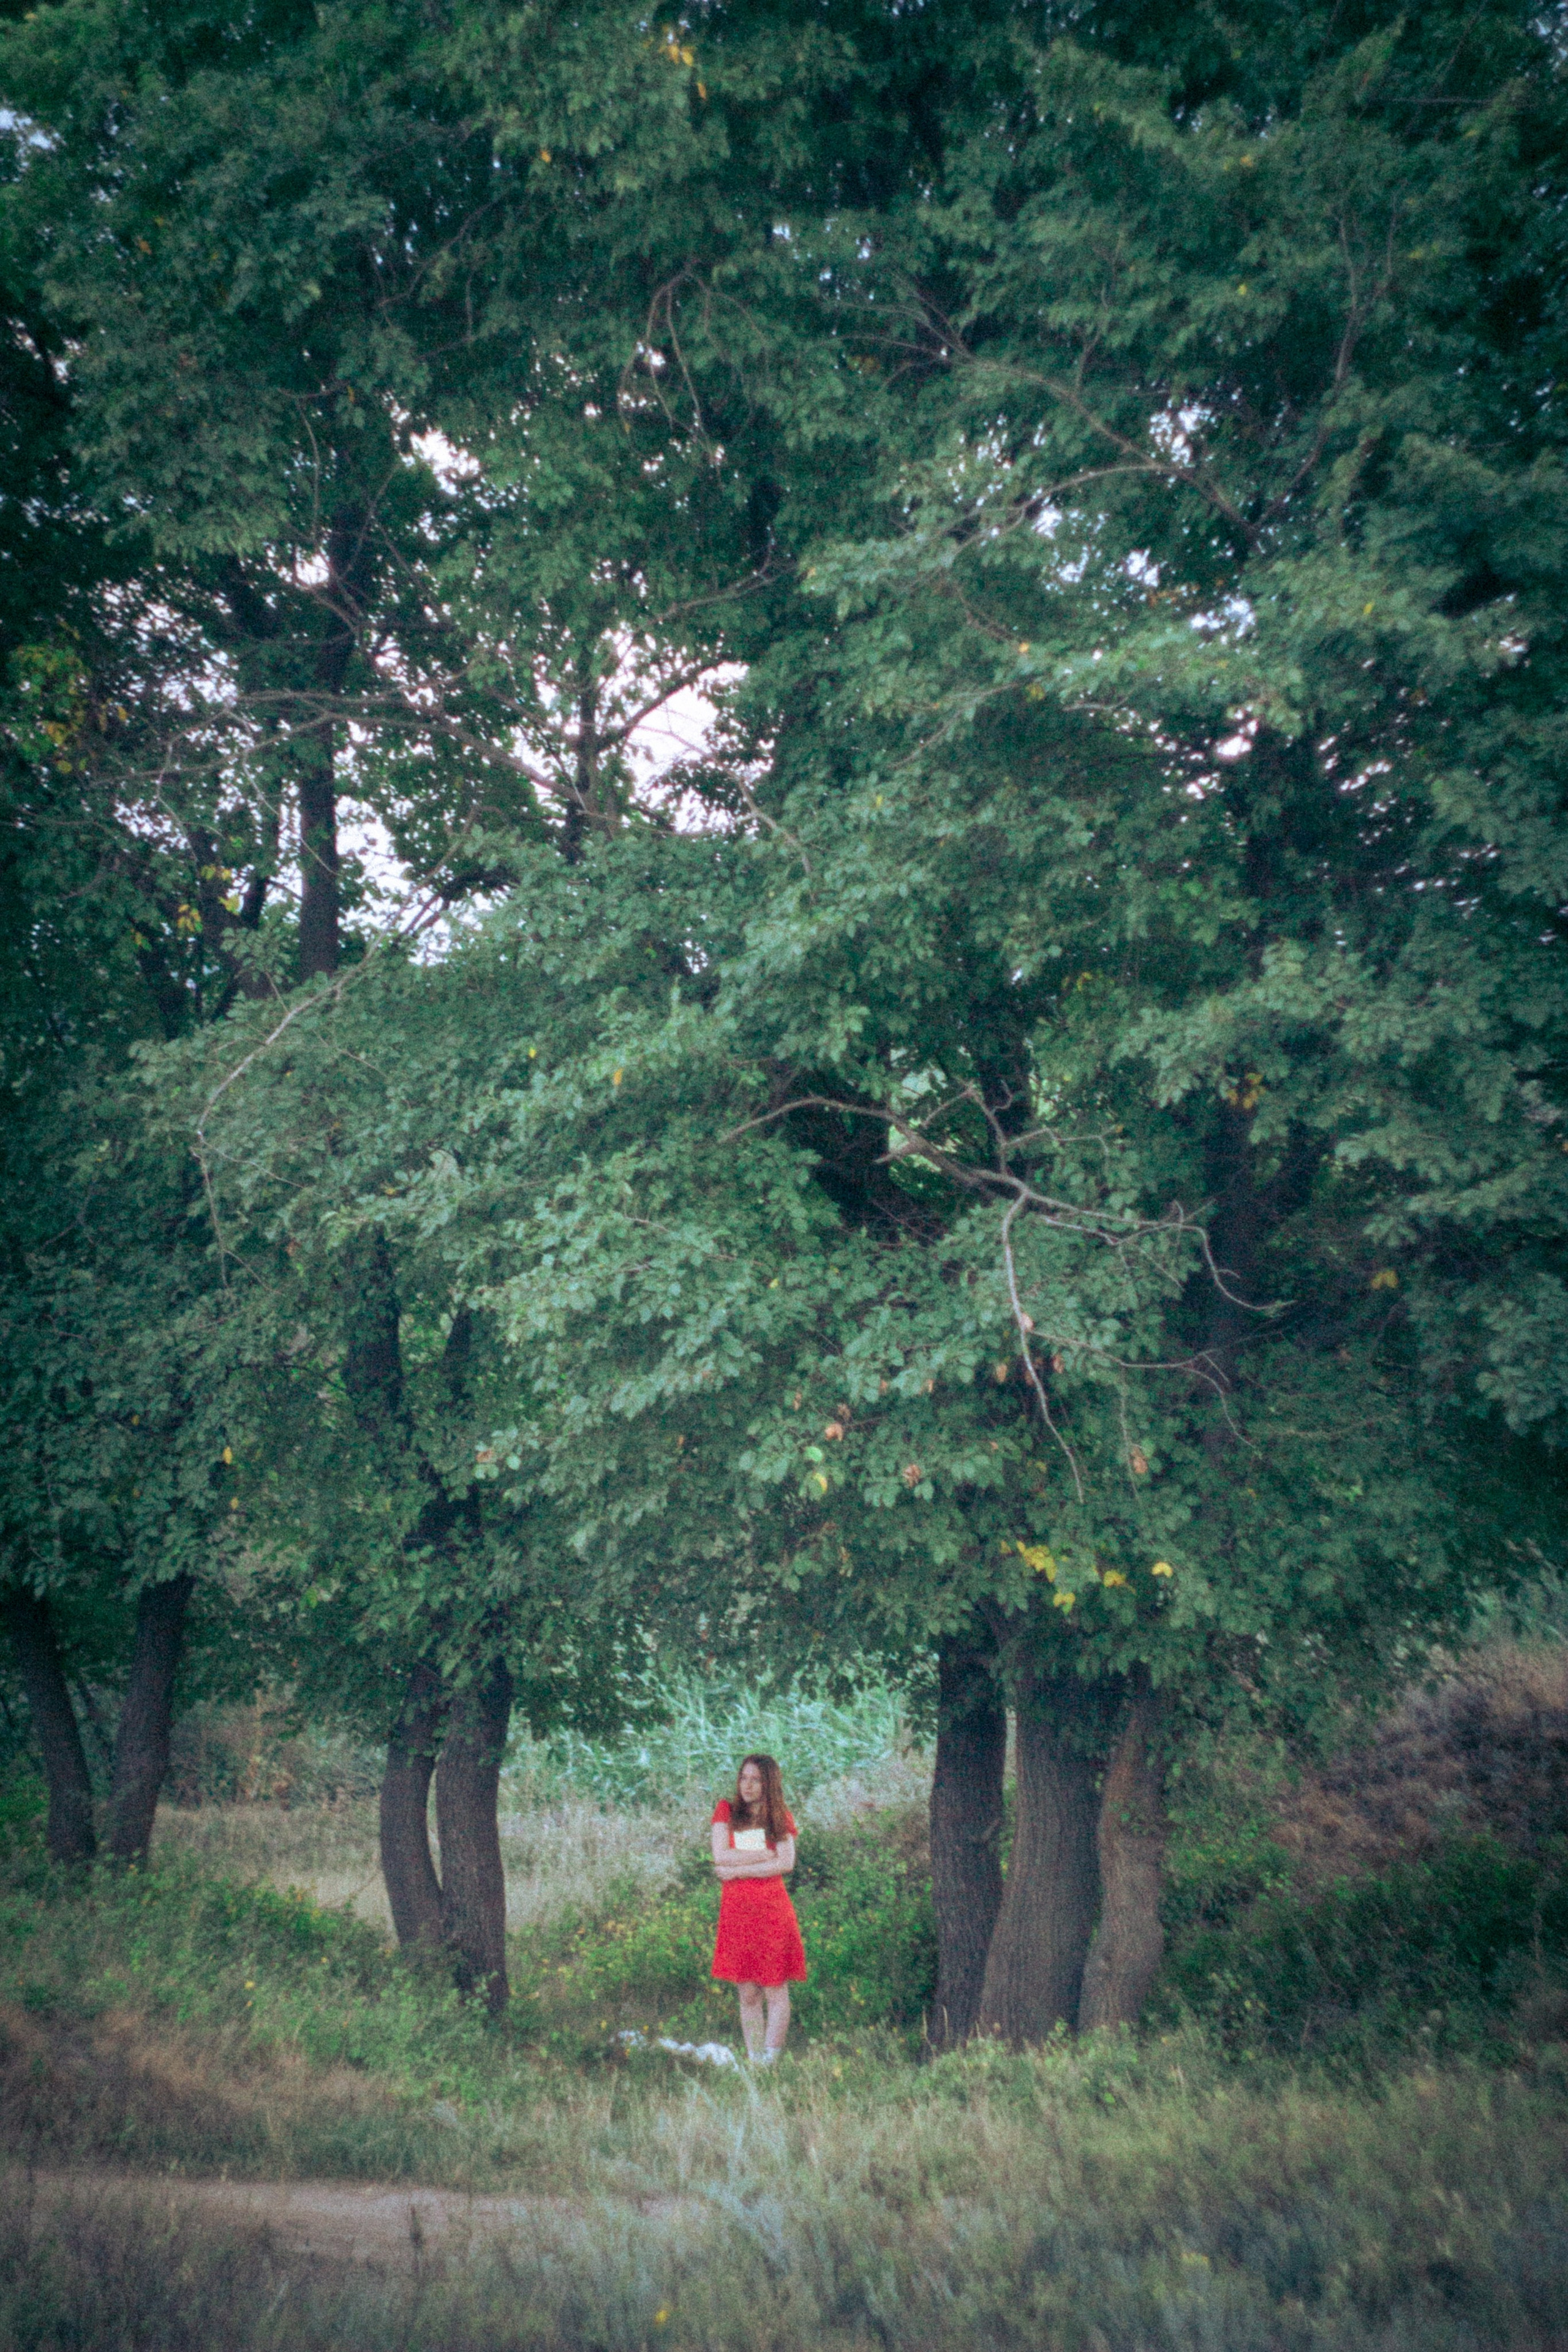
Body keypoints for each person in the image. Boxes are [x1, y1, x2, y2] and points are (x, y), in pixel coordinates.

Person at [710, 1751, 805, 2062]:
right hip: (738, 1914)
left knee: (775, 1987)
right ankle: (755, 2062)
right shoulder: (727, 1811)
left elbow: (786, 1862)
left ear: (769, 1784)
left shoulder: (778, 1815)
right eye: (744, 1778)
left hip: (772, 1911)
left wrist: (739, 1870)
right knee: (748, 1992)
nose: (747, 1785)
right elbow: (721, 1856)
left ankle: (770, 2064)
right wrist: (764, 1855)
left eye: (756, 1780)